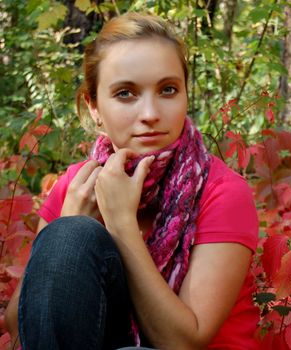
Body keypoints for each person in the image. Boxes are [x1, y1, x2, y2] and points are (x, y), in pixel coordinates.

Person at [4, 12, 260, 350]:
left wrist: (121, 222)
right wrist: (69, 220)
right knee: (70, 234)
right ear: (93, 106)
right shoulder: (77, 185)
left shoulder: (222, 191)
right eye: (126, 93)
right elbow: (21, 328)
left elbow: (183, 341)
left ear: (185, 94)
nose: (151, 113)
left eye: (168, 90)